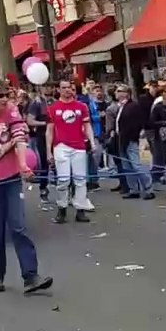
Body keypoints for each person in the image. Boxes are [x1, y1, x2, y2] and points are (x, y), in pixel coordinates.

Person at [0, 79, 53, 294]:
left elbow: (20, 135)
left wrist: (23, 165)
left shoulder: (11, 109)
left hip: (11, 177)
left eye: (7, 95)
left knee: (19, 226)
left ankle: (31, 276)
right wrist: (12, 144)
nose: (4, 100)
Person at [47, 79, 95, 224]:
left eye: (70, 88)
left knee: (80, 179)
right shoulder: (53, 108)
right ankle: (62, 208)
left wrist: (92, 142)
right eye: (64, 88)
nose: (67, 90)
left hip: (78, 146)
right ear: (59, 90)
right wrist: (49, 151)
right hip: (60, 146)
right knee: (63, 180)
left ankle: (80, 210)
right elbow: (49, 131)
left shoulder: (81, 106)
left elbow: (87, 126)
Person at [115, 86, 154, 200]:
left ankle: (148, 189)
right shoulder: (121, 107)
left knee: (138, 165)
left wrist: (135, 137)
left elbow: (137, 122)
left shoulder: (133, 106)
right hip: (122, 139)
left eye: (119, 91)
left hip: (132, 139)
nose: (116, 93)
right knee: (127, 166)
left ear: (126, 93)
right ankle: (133, 189)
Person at [25, 87, 52, 206]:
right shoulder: (36, 103)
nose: (49, 89)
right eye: (46, 86)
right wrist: (45, 123)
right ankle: (43, 189)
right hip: (42, 136)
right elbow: (30, 121)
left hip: (57, 135)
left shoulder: (55, 102)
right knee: (44, 163)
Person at [86, 83, 108, 190]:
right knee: (95, 157)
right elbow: (89, 118)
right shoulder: (90, 105)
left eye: (100, 90)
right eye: (96, 91)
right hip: (96, 133)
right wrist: (98, 116)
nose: (98, 93)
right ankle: (93, 180)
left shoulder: (106, 104)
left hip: (106, 132)